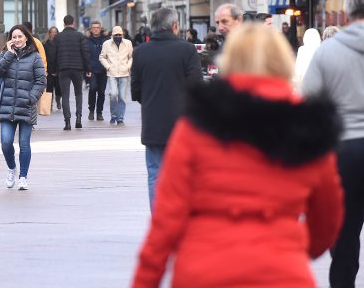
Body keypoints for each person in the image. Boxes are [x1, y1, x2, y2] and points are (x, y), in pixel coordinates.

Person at [133, 24, 343, 288]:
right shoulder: (308, 124)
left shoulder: (198, 123)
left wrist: (145, 281)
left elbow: (166, 220)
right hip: (281, 273)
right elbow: (328, 216)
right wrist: (294, 248)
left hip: (204, 270)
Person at [302, 0, 364, 288]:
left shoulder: (326, 51)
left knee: (346, 231)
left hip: (344, 152)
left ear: (348, 12)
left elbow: (309, 106)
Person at [131, 8, 202, 209]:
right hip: (183, 124)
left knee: (155, 174)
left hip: (153, 123)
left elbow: (136, 92)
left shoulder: (140, 52)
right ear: (174, 26)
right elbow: (196, 87)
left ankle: (159, 219)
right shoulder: (187, 50)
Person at [0, 25, 46, 190]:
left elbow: (40, 81)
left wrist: (31, 98)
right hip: (7, 106)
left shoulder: (35, 57)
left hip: (26, 106)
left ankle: (23, 176)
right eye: (13, 37)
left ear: (26, 38)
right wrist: (8, 54)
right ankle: (11, 168)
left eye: (19, 37)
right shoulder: (5, 54)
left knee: (24, 143)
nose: (16, 40)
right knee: (6, 142)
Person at [54, 15, 91, 130]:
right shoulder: (80, 36)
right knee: (78, 93)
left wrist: (55, 69)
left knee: (65, 95)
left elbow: (54, 54)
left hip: (63, 69)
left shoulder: (58, 37)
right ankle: (78, 119)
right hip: (77, 69)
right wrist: (88, 69)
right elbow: (85, 53)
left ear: (64, 23)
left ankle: (67, 122)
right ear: (73, 23)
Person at [99, 26, 133, 125]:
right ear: (112, 35)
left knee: (122, 97)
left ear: (122, 35)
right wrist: (108, 67)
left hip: (124, 73)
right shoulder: (106, 44)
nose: (118, 36)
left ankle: (120, 118)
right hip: (112, 73)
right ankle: (113, 115)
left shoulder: (128, 43)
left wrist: (128, 66)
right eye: (116, 35)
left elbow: (131, 57)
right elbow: (102, 57)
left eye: (120, 35)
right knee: (113, 94)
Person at [85, 21, 108, 121]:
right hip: (92, 70)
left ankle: (99, 112)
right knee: (93, 89)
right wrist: (86, 68)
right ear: (90, 29)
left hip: (104, 69)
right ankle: (91, 110)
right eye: (93, 27)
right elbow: (85, 55)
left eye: (97, 27)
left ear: (100, 28)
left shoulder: (106, 40)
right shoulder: (86, 40)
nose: (95, 29)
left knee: (102, 92)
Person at [43, 26, 61, 110]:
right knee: (49, 88)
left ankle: (58, 100)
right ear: (49, 33)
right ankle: (49, 104)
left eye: (55, 32)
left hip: (58, 69)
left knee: (58, 88)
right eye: (52, 32)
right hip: (49, 69)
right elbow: (44, 57)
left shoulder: (60, 44)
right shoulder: (45, 44)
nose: (53, 34)